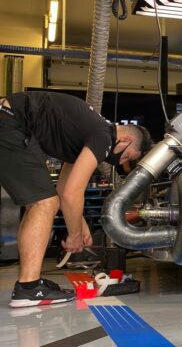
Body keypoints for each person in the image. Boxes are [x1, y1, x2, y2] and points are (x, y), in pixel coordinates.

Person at [0, 91, 152, 307]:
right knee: (44, 203)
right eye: (127, 156)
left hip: (10, 121)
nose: (121, 161)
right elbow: (72, 193)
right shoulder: (102, 136)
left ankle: (29, 284)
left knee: (40, 203)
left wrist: (80, 226)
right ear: (125, 139)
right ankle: (29, 288)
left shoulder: (86, 133)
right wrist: (74, 235)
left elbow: (65, 190)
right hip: (10, 121)